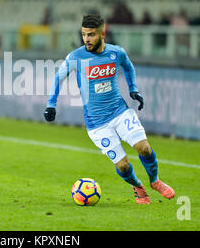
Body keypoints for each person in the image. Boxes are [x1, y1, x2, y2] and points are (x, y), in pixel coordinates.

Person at [43, 14, 175, 204]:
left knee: (144, 148)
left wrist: (133, 89)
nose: (86, 39)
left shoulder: (116, 53)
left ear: (102, 34)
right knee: (123, 166)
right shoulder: (76, 56)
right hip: (97, 124)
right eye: (84, 35)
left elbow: (128, 67)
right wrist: (51, 105)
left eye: (91, 35)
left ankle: (155, 181)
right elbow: (58, 77)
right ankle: (138, 186)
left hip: (120, 112)